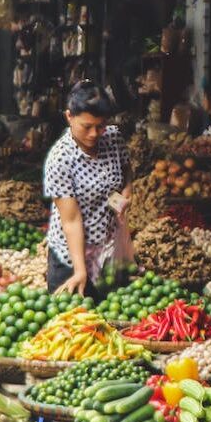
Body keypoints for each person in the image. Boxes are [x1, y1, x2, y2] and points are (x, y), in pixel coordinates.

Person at [43, 82, 129, 298]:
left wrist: (124, 197)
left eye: (100, 126)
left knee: (110, 322)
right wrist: (81, 271)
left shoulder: (113, 138)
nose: (94, 134)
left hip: (107, 254)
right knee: (69, 325)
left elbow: (127, 173)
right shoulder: (60, 159)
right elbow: (71, 220)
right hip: (71, 259)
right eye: (86, 126)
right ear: (69, 117)